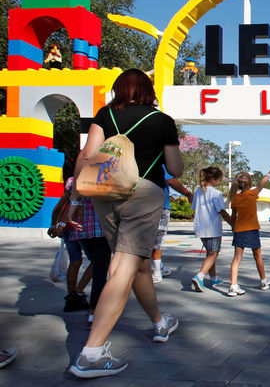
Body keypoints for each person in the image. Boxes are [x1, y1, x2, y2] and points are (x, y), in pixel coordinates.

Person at [68, 69, 183, 378]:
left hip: (105, 193)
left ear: (119, 89)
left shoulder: (105, 115)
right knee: (123, 265)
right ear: (149, 90)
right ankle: (91, 353)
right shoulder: (162, 121)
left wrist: (75, 201)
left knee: (138, 265)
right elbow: (175, 167)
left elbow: (87, 156)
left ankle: (160, 322)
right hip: (144, 193)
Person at [59, 173, 112, 330]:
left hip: (82, 231)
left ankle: (75, 296)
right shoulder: (106, 176)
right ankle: (94, 313)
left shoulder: (73, 180)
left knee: (95, 266)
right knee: (100, 273)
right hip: (102, 229)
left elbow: (64, 204)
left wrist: (59, 223)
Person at [227, 168, 270, 296]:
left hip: (239, 230)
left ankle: (233, 286)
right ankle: (263, 281)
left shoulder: (235, 198)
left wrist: (234, 230)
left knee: (236, 259)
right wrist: (269, 173)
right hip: (252, 230)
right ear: (249, 183)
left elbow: (233, 218)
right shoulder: (253, 194)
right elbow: (262, 183)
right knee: (257, 256)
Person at [48, 171, 92, 313]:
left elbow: (58, 207)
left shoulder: (71, 182)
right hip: (78, 227)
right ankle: (77, 293)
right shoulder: (89, 179)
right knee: (97, 260)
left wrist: (54, 225)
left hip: (66, 229)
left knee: (75, 261)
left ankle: (71, 296)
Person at [190, 166, 233, 292]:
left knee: (210, 253)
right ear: (213, 180)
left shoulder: (198, 192)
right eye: (219, 180)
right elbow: (221, 211)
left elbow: (194, 208)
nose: (220, 183)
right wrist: (233, 224)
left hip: (200, 228)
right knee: (214, 253)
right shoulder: (216, 193)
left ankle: (213, 278)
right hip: (213, 228)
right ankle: (200, 276)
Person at [152, 170, 193, 283]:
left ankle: (159, 267)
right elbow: (170, 180)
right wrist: (187, 193)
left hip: (142, 203)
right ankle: (156, 271)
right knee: (157, 239)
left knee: (149, 239)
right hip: (159, 205)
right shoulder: (159, 161)